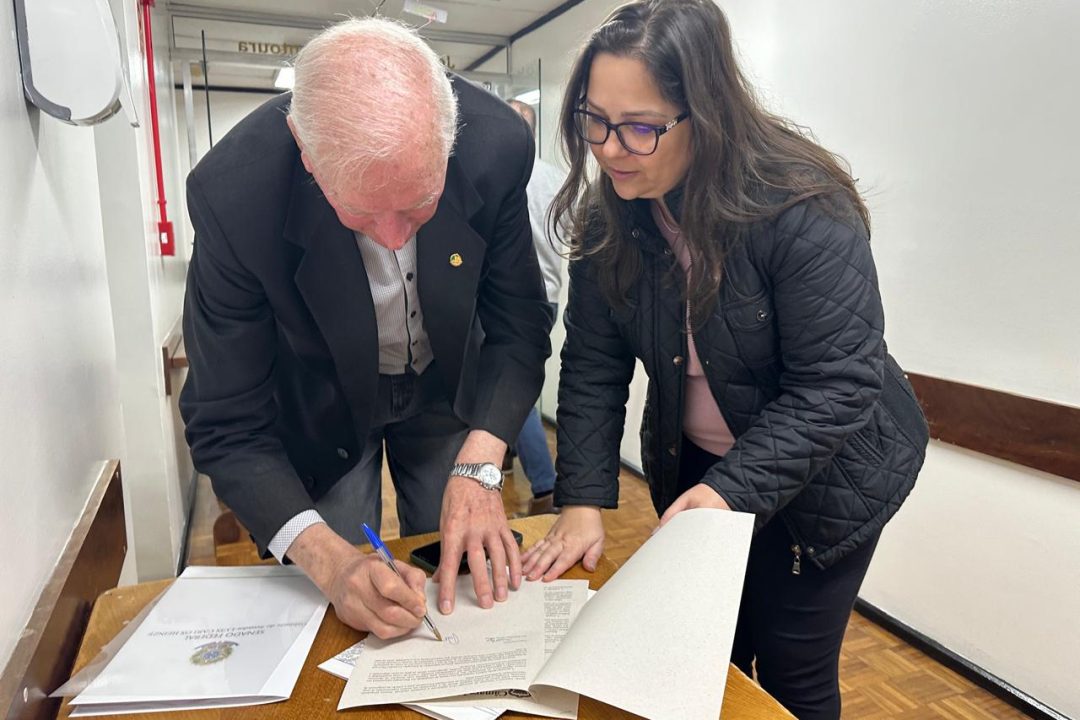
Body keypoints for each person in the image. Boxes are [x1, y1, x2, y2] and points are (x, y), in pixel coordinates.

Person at [520, 2, 929, 718]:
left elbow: (837, 385)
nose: (610, 149)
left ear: (704, 114)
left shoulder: (800, 205)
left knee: (793, 670)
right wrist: (581, 500)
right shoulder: (612, 214)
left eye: (640, 127)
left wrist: (727, 495)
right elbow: (591, 365)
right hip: (702, 463)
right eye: (594, 120)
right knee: (707, 651)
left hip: (827, 479)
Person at [180, 17, 553, 640]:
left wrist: (485, 459)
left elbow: (519, 324)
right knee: (340, 593)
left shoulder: (495, 145)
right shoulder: (234, 196)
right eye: (359, 213)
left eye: (419, 205)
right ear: (306, 152)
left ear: (450, 140)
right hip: (320, 399)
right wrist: (331, 562)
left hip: (447, 384)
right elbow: (226, 421)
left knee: (460, 570)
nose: (394, 239)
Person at [507, 99, 566, 516]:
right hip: (549, 298)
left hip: (513, 301)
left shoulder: (504, 175)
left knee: (515, 391)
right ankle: (506, 460)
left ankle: (545, 486)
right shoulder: (555, 179)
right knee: (515, 382)